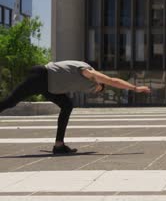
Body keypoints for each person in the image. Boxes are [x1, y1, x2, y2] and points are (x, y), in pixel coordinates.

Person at [0, 60, 151, 154]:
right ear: (99, 84)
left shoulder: (88, 85)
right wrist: (135, 88)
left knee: (67, 105)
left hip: (50, 88)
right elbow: (111, 80)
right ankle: (59, 145)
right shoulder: (89, 73)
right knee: (11, 102)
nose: (95, 92)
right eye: (98, 90)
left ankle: (59, 145)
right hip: (40, 77)